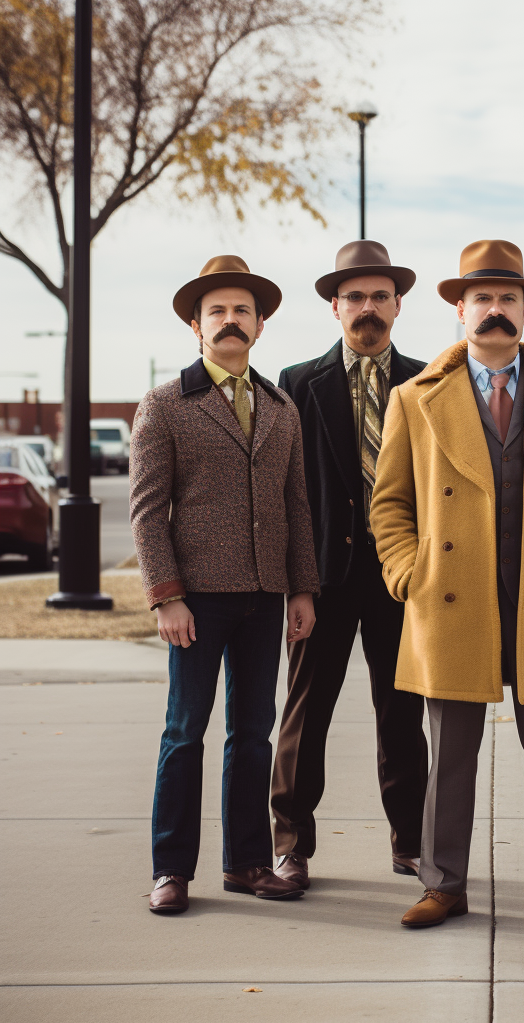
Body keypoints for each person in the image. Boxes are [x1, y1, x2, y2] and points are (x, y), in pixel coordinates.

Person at [370, 240, 524, 928]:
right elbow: (389, 503)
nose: (496, 311)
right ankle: (442, 883)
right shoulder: (413, 401)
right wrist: (406, 572)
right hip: (452, 598)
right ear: (459, 309)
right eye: (482, 299)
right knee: (449, 755)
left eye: (509, 299)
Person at [131, 255, 320, 913]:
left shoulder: (280, 407)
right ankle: (170, 870)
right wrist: (167, 595)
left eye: (243, 311)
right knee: (185, 731)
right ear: (195, 325)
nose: (231, 320)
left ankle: (247, 863)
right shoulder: (163, 404)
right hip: (197, 599)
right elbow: (148, 511)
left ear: (260, 327)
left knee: (253, 732)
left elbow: (297, 506)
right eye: (218, 311)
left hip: (266, 595)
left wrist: (301, 588)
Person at [270, 241, 429, 887]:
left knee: (403, 718)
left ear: (397, 306)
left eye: (379, 297)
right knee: (306, 715)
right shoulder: (296, 384)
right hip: (322, 580)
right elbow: (286, 492)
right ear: (335, 307)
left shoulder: (428, 380)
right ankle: (290, 843)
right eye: (355, 297)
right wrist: (295, 585)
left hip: (401, 579)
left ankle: (412, 841)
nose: (368, 308)